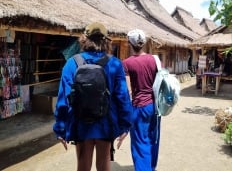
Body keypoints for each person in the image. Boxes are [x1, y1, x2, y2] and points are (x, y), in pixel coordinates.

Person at [53, 22, 133, 171]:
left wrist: (60, 128)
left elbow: (63, 100)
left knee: (83, 166)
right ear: (106, 41)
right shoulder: (114, 64)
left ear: (84, 39)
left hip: (80, 123)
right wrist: (125, 125)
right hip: (106, 123)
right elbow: (123, 97)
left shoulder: (71, 64)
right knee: (104, 166)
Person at [122, 29, 161, 171]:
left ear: (129, 44)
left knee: (139, 142)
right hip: (154, 106)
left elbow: (128, 91)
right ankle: (151, 167)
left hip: (138, 107)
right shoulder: (154, 60)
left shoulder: (126, 63)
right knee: (152, 138)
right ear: (143, 43)